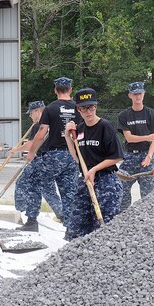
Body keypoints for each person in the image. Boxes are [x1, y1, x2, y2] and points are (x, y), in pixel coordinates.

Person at [65, 88, 124, 240]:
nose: (89, 111)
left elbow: (117, 157)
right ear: (78, 109)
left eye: (91, 107)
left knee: (103, 228)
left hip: (106, 182)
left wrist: (94, 170)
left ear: (96, 106)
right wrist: (67, 136)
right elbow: (78, 158)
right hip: (85, 181)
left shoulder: (105, 126)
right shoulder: (80, 129)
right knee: (76, 226)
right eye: (84, 108)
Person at [25, 77, 81, 236]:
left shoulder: (51, 108)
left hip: (54, 154)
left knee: (37, 180)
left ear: (55, 90)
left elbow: (42, 133)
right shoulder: (78, 108)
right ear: (70, 89)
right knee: (69, 192)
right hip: (72, 156)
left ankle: (40, 218)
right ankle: (71, 231)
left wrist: (31, 152)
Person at [13, 100, 63, 231]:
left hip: (40, 160)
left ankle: (27, 214)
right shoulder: (55, 123)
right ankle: (62, 214)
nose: (30, 116)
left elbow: (31, 144)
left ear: (38, 111)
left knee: (24, 183)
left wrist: (16, 150)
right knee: (47, 189)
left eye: (31, 113)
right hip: (53, 160)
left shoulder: (40, 126)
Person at [117, 82, 154, 210]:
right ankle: (123, 218)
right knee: (122, 190)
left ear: (144, 94)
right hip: (129, 156)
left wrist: (149, 156)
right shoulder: (124, 115)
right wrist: (147, 137)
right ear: (130, 95)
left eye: (140, 93)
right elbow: (129, 138)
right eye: (135, 94)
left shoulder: (151, 114)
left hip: (146, 156)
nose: (137, 96)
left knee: (148, 195)